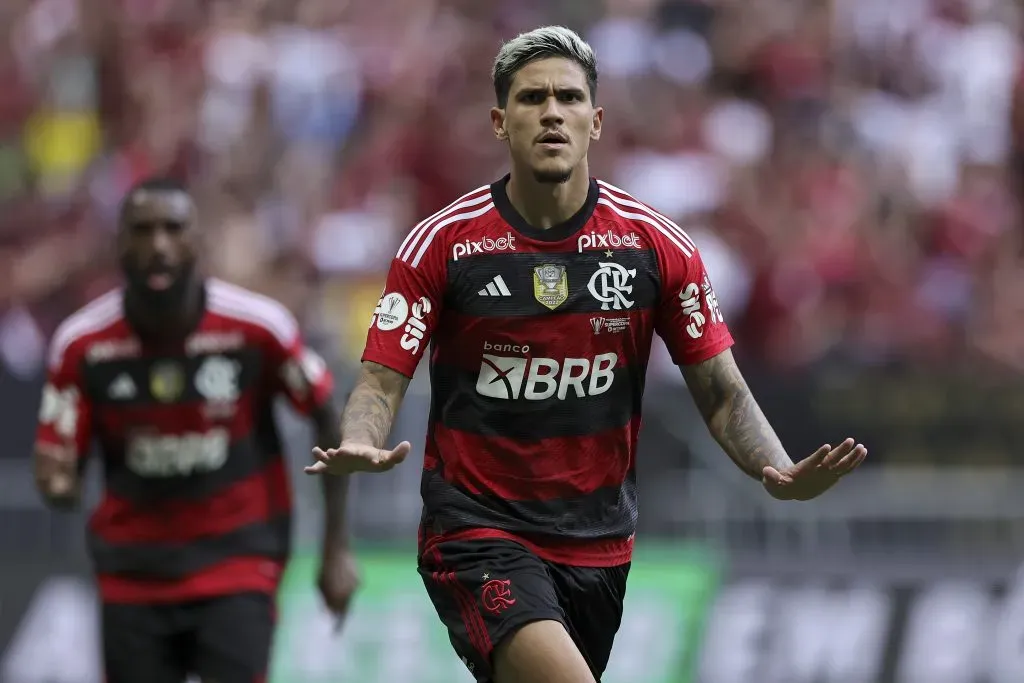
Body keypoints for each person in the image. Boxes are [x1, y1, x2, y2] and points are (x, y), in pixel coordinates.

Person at [306, 25, 867, 683]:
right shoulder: (442, 246)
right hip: (476, 531)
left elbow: (721, 392)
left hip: (599, 544)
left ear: (595, 121)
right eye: (532, 98)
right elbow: (379, 380)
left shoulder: (656, 248)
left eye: (568, 98)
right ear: (499, 120)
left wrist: (778, 467)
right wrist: (363, 438)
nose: (551, 112)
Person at [33, 177, 359, 683]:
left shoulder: (258, 328)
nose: (158, 245)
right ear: (119, 244)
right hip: (132, 573)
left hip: (237, 563)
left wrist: (336, 547)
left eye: (172, 229)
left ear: (197, 242)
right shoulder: (81, 346)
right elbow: (58, 468)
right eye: (142, 230)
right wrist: (57, 485)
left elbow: (326, 414)